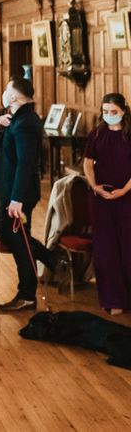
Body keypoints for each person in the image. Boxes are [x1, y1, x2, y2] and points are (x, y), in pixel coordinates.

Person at [0, 76, 67, 311]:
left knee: (18, 241)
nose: (5, 92)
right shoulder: (18, 119)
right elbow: (7, 152)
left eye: (7, 89)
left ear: (14, 96)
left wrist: (17, 199)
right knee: (10, 235)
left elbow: (26, 163)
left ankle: (27, 294)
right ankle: (52, 260)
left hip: (19, 194)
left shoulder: (25, 122)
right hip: (11, 191)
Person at [83, 93, 131, 315]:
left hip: (127, 197)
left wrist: (123, 190)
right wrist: (95, 186)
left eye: (114, 112)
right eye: (105, 112)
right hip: (101, 198)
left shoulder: (129, 135)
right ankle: (113, 299)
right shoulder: (96, 134)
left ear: (123, 111)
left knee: (127, 247)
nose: (109, 116)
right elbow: (88, 164)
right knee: (106, 249)